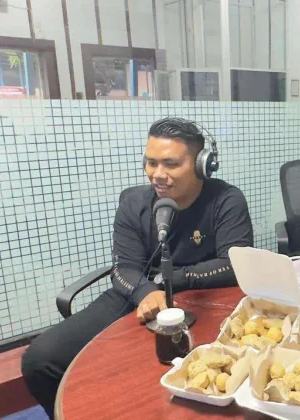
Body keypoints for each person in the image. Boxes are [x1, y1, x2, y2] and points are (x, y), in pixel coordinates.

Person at [21, 117, 254, 418]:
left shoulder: (226, 200)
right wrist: (146, 291)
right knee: (40, 359)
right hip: (139, 292)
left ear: (202, 165)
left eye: (171, 164)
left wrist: (174, 279)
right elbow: (123, 267)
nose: (158, 174)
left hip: (203, 296)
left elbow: (233, 264)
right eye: (151, 163)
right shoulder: (134, 203)